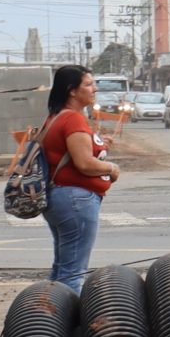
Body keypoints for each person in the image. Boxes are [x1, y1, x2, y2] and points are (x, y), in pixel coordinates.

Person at [40, 65, 119, 293]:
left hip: (60, 199)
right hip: (76, 200)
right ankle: (66, 324)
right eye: (88, 84)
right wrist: (112, 168)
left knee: (61, 269)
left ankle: (49, 319)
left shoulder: (55, 117)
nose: (94, 88)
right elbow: (84, 163)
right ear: (72, 90)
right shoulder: (73, 119)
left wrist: (99, 143)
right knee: (73, 273)